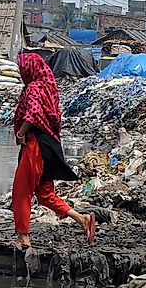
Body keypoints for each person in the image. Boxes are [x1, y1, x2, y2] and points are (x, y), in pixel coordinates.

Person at [11, 53, 96, 250]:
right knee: (45, 194)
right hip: (50, 145)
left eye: (22, 67)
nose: (21, 71)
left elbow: (31, 115)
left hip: (36, 145)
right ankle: (82, 219)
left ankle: (23, 237)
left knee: (22, 191)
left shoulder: (33, 87)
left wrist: (20, 134)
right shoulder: (49, 87)